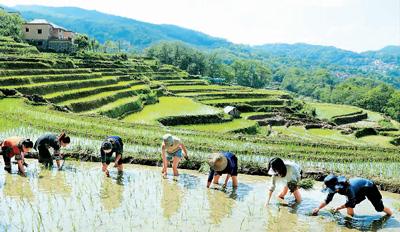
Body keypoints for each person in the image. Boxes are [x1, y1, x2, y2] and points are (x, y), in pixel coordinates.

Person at [312, 175, 393, 217]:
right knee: (349, 204)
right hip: (358, 189)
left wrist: (338, 207)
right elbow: (327, 200)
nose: (330, 191)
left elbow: (351, 202)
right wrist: (318, 208)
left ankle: (391, 215)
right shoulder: (333, 188)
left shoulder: (348, 189)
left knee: (379, 208)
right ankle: (350, 220)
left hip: (368, 187)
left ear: (337, 187)